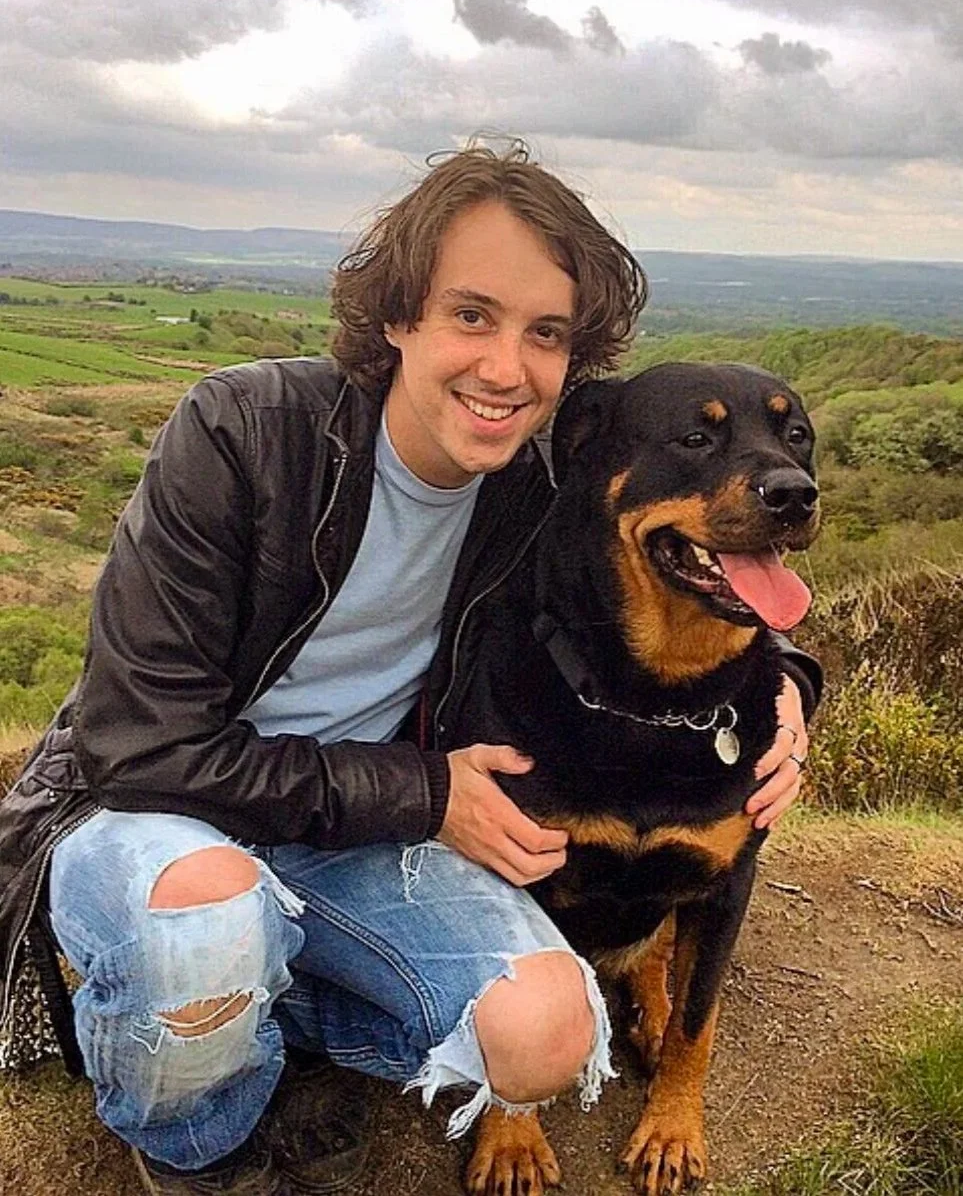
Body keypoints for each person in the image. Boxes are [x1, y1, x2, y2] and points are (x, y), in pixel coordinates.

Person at [0, 141, 818, 1196]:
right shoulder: (243, 434)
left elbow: (695, 579)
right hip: (165, 811)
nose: (504, 366)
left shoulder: (542, 483)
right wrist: (425, 791)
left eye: (546, 333)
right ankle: (203, 1141)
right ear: (398, 315)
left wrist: (791, 685)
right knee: (203, 921)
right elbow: (135, 745)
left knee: (543, 1034)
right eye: (471, 315)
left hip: (351, 840)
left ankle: (261, 1017)